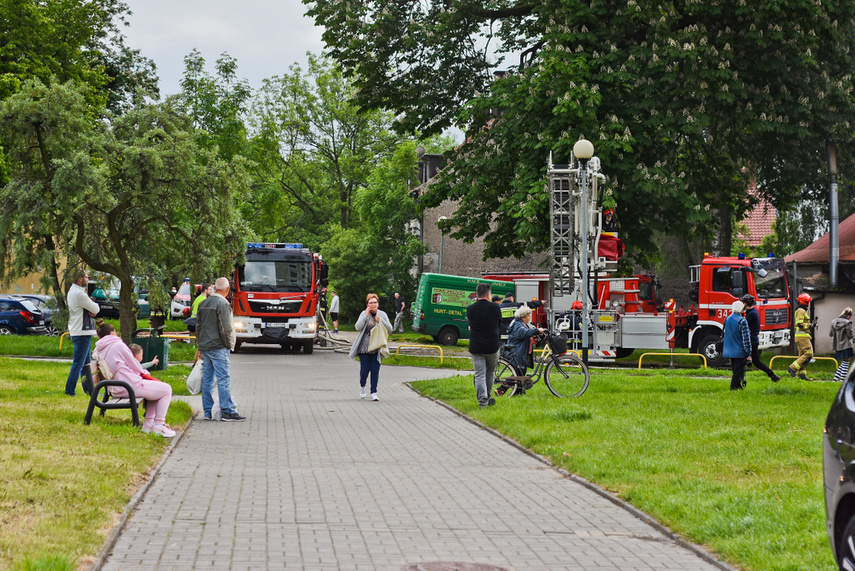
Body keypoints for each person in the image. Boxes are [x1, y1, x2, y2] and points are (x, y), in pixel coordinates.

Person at [92, 323, 175, 437]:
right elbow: (134, 363)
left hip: (115, 387)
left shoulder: (98, 349)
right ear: (112, 333)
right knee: (166, 389)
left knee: (155, 389)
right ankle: (159, 425)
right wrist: (144, 372)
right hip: (128, 385)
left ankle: (149, 424)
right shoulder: (118, 345)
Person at [197, 277, 246, 422]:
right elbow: (226, 328)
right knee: (223, 378)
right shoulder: (223, 304)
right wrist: (228, 344)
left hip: (206, 347)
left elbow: (198, 326)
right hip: (218, 347)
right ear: (227, 289)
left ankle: (207, 412)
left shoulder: (203, 303)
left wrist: (200, 346)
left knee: (208, 379)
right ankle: (227, 410)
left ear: (214, 288)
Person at [348, 293, 393, 401]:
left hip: (377, 347)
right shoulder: (364, 313)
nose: (373, 304)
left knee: (375, 370)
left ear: (378, 304)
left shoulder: (382, 314)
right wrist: (365, 316)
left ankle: (374, 392)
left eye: (375, 302)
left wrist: (380, 321)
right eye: (371, 302)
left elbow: (390, 329)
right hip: (364, 347)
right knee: (364, 370)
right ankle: (362, 386)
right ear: (367, 304)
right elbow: (357, 327)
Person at [65, 268, 100, 396]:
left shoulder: (73, 291)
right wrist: (93, 309)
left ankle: (90, 390)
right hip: (82, 332)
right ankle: (69, 391)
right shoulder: (79, 294)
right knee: (79, 364)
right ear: (80, 278)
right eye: (86, 277)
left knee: (86, 365)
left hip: (80, 331)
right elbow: (96, 308)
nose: (88, 279)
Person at [466, 283, 502, 407]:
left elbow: (472, 324)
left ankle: (483, 402)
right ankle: (488, 396)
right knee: (490, 373)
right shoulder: (495, 307)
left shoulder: (470, 309)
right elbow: (499, 323)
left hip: (476, 346)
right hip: (492, 346)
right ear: (488, 295)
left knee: (479, 374)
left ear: (477, 294)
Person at [496, 305, 545, 396]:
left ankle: (518, 392)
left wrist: (534, 333)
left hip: (520, 351)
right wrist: (537, 331)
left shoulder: (520, 323)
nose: (529, 318)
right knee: (517, 373)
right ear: (523, 316)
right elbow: (523, 333)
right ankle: (501, 390)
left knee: (521, 373)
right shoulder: (517, 324)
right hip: (517, 352)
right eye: (528, 316)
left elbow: (525, 332)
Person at [741, 294, 780, 382]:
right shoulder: (752, 312)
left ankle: (740, 379)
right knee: (756, 362)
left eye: (743, 302)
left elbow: (744, 325)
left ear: (746, 303)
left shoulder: (751, 314)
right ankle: (773, 376)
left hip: (751, 340)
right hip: (754, 340)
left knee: (743, 360)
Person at [723, 300, 752, 390]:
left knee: (735, 369)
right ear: (742, 309)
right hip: (739, 350)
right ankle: (734, 387)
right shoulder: (742, 321)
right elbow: (746, 338)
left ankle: (738, 386)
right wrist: (748, 352)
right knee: (738, 371)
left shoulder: (727, 319)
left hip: (729, 349)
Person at [788, 293, 814, 380]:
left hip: (801, 336)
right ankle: (792, 368)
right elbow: (799, 324)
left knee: (802, 355)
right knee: (808, 353)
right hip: (803, 336)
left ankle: (802, 375)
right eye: (807, 302)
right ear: (804, 302)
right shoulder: (801, 311)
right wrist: (810, 325)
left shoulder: (801, 310)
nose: (808, 304)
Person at [831, 307, 854, 382]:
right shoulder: (847, 323)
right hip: (846, 345)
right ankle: (842, 380)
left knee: (843, 362)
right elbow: (850, 335)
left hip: (838, 345)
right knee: (846, 362)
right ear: (848, 316)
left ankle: (835, 379)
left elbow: (831, 333)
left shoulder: (834, 322)